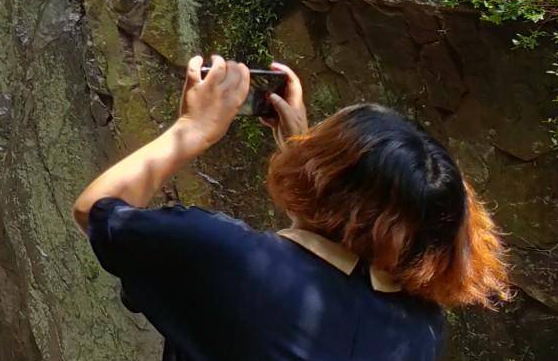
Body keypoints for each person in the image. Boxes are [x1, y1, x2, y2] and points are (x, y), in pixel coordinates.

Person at [71, 55, 510, 361]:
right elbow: (323, 275)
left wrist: (193, 128)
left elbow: (96, 211)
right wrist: (302, 149)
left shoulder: (221, 255)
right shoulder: (421, 330)